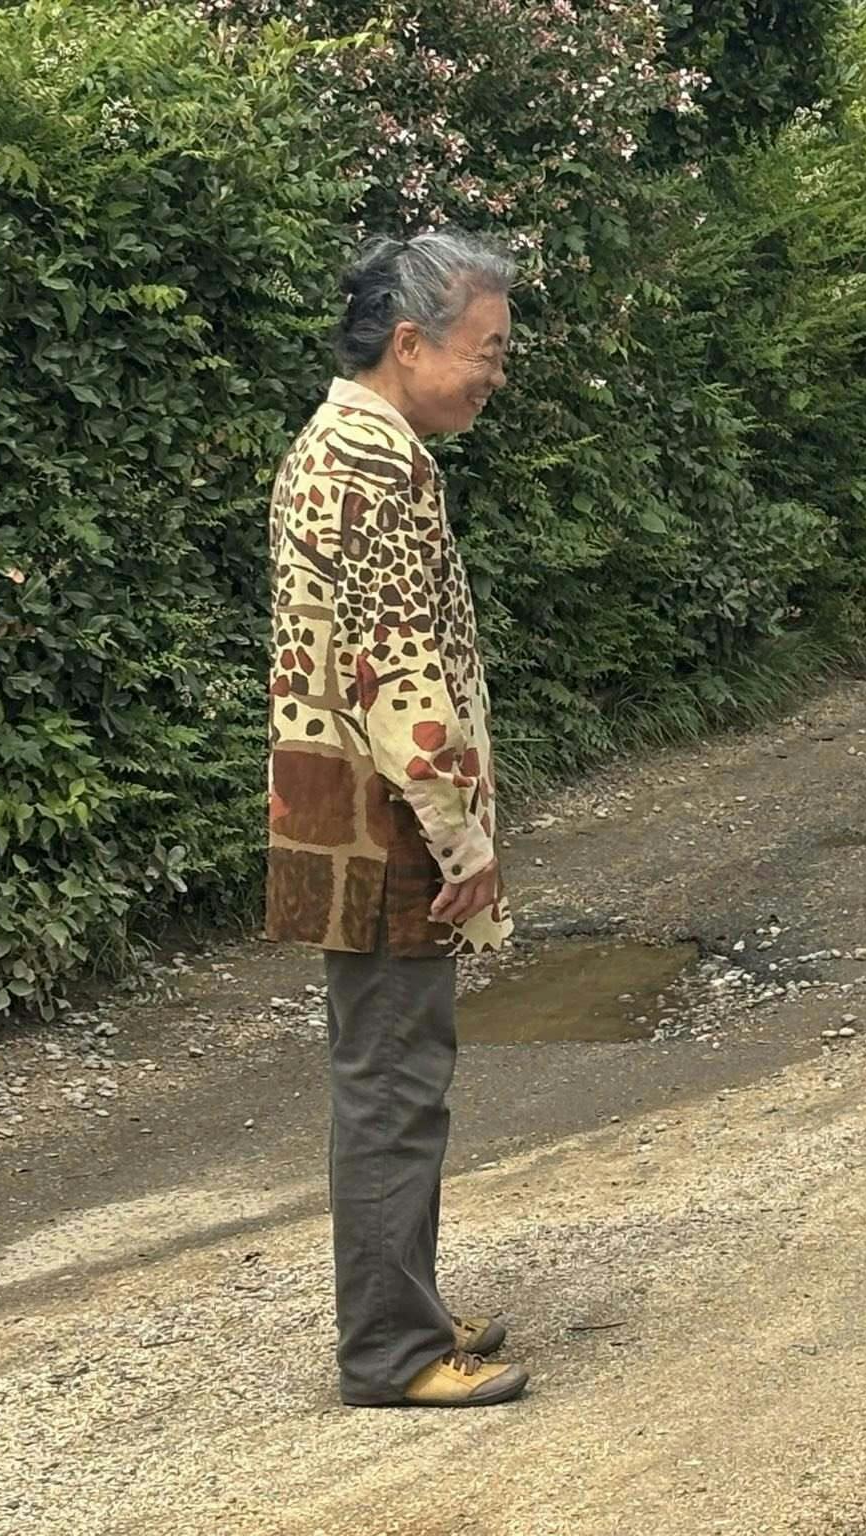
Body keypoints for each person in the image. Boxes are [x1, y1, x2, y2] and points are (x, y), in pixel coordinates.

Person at [264, 231, 527, 1406]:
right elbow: (398, 670)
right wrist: (460, 837)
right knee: (394, 1083)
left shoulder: (338, 443)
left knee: (388, 1068)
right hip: (389, 820)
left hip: (347, 806)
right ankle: (392, 1351)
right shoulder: (376, 465)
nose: (494, 376)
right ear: (409, 343)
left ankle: (402, 1308)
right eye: (487, 351)